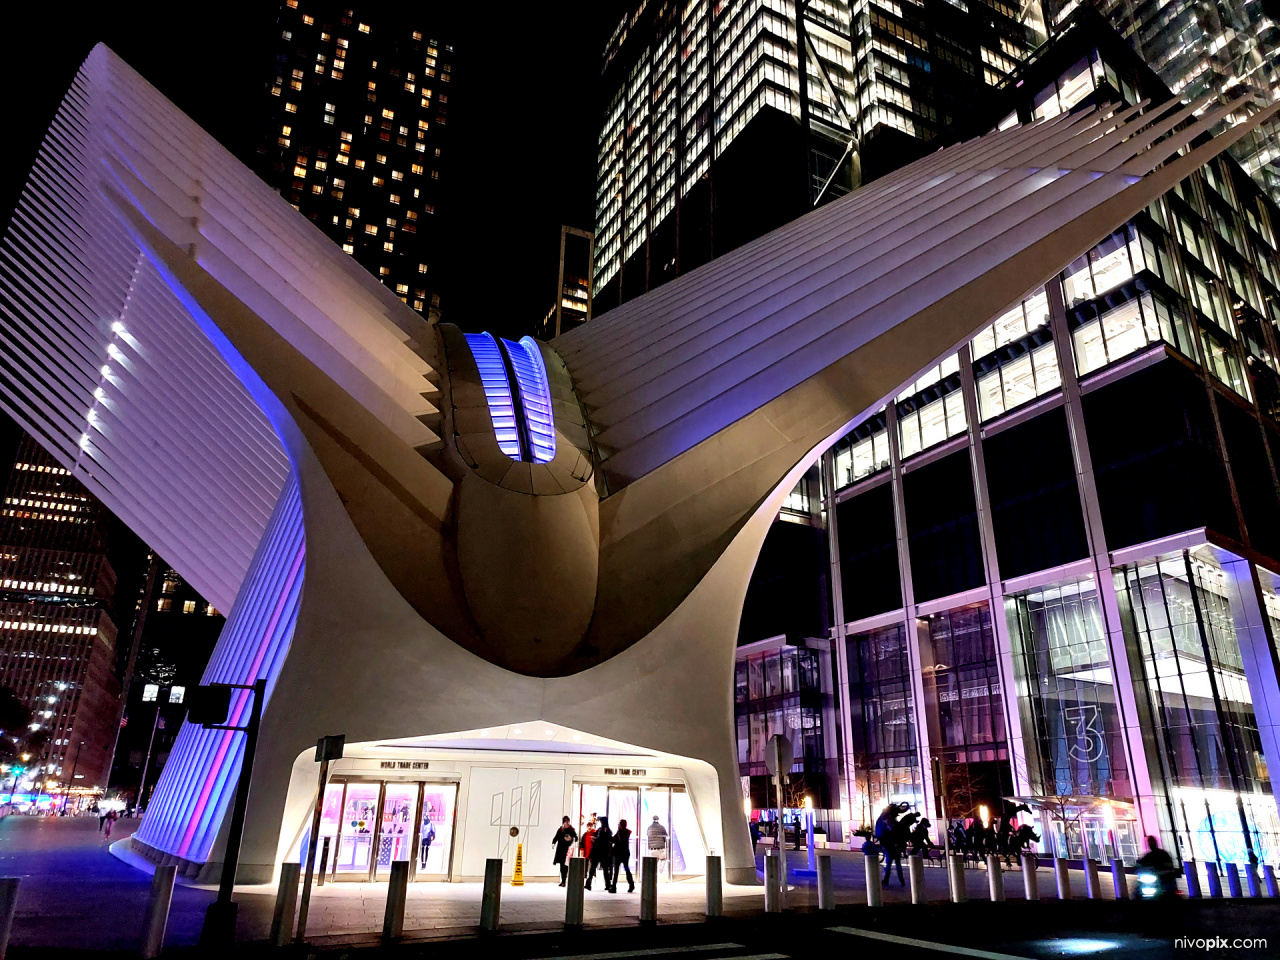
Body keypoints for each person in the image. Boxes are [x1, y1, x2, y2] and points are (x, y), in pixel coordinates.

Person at [1135, 835, 1178, 899]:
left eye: (1152, 842)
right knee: (1138, 889)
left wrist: (1166, 869)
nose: (1151, 844)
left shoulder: (1163, 854)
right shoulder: (1148, 855)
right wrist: (1138, 865)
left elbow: (1169, 866)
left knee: (1169, 889)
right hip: (1153, 876)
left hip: (1163, 876)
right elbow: (1141, 862)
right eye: (1150, 843)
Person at [586, 816, 615, 892]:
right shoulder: (600, 830)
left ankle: (607, 884)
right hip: (598, 852)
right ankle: (589, 883)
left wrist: (595, 839)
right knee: (594, 868)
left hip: (602, 852)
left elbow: (605, 840)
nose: (601, 823)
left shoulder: (606, 831)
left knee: (603, 869)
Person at [552, 815, 578, 886]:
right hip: (560, 849)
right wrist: (553, 843)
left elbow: (576, 838)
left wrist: (571, 839)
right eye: (565, 822)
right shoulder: (560, 830)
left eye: (567, 822)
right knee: (561, 865)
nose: (566, 823)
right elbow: (556, 837)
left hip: (567, 850)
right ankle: (563, 880)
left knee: (565, 865)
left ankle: (564, 881)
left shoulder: (571, 830)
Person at [613, 818, 634, 893]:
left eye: (619, 823)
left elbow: (621, 840)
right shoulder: (621, 832)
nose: (618, 825)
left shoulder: (624, 832)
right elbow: (614, 839)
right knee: (619, 870)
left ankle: (631, 885)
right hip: (621, 853)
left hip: (622, 853)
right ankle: (614, 886)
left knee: (623, 869)